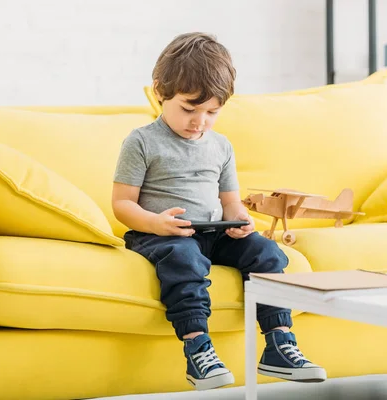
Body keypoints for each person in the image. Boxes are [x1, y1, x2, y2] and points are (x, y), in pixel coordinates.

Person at [111, 32, 326, 391]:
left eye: (212, 111)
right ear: (160, 91)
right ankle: (198, 348)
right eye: (188, 109)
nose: (200, 121)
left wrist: (242, 221)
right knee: (185, 260)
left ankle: (279, 343)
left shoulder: (221, 146)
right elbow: (121, 204)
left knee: (267, 251)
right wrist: (155, 223)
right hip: (160, 236)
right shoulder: (142, 141)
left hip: (213, 232)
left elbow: (231, 202)